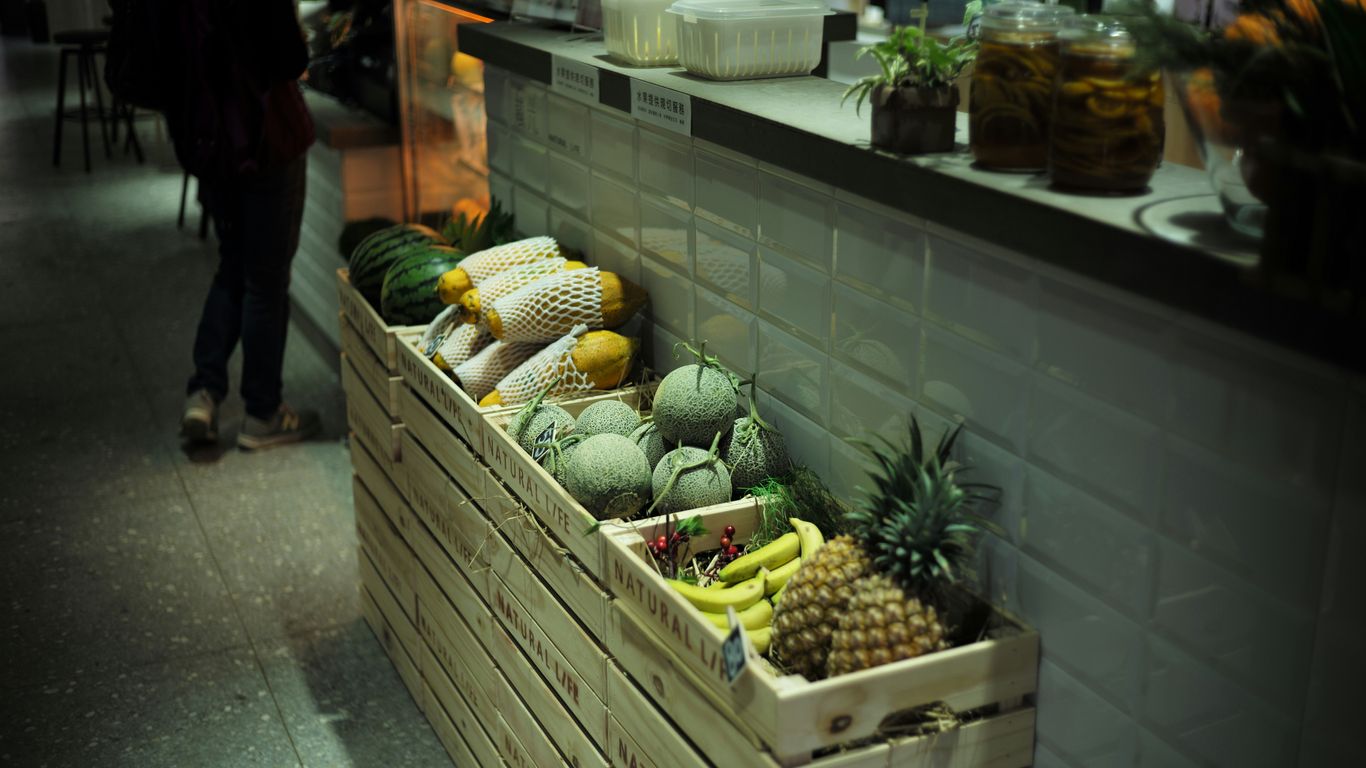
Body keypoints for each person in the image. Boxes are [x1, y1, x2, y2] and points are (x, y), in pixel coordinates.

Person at [158, 0, 321, 449]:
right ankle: (263, 414)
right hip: (265, 139)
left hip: (208, 139)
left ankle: (203, 393)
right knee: (266, 282)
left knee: (233, 264)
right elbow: (290, 58)